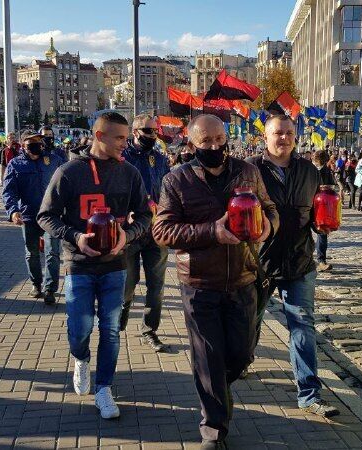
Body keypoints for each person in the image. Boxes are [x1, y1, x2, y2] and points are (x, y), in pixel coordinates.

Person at [152, 114, 278, 449]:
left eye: (220, 139)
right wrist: (211, 231)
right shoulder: (176, 180)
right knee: (207, 358)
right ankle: (213, 428)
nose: (215, 147)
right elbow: (162, 231)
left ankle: (217, 391)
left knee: (241, 355)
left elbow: (270, 209)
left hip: (244, 276)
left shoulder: (247, 172)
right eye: (206, 142)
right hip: (199, 284)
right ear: (192, 144)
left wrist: (269, 226)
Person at [38, 112, 151, 419]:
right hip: (79, 265)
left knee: (111, 330)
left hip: (116, 264)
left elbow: (145, 215)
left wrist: (126, 236)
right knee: (80, 328)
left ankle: (104, 389)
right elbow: (45, 216)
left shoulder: (129, 173)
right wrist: (75, 236)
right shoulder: (69, 172)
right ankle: (81, 358)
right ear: (99, 136)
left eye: (127, 138)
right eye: (119, 138)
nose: (125, 145)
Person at [249, 115, 340, 419]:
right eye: (278, 133)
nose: (284, 138)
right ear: (266, 137)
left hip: (300, 260)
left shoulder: (309, 171)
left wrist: (323, 224)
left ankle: (309, 394)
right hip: (260, 261)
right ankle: (245, 358)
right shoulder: (250, 170)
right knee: (251, 319)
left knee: (302, 325)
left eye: (289, 133)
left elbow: (316, 213)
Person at [120, 115, 171, 352]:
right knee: (128, 283)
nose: (153, 134)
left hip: (156, 230)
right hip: (130, 231)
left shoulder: (159, 158)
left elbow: (169, 188)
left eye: (155, 130)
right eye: (147, 130)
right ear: (135, 132)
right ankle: (123, 310)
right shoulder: (122, 158)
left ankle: (150, 329)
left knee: (156, 285)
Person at [3, 131, 65, 304]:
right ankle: (36, 284)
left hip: (52, 215)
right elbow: (9, 191)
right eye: (31, 142)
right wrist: (13, 210)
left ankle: (50, 288)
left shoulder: (53, 160)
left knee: (52, 252)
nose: (36, 145)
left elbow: (66, 181)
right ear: (23, 145)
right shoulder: (15, 164)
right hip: (29, 215)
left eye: (38, 141)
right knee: (32, 253)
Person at [312, 150, 336, 272]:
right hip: (315, 205)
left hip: (319, 206)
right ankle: (319, 260)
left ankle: (321, 261)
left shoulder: (323, 171)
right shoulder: (312, 170)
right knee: (319, 234)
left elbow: (331, 186)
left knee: (322, 233)